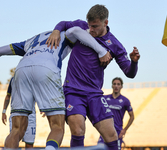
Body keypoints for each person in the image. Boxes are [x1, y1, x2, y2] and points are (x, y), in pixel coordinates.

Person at [0, 27, 111, 149]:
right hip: (46, 69)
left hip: (21, 71)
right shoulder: (64, 34)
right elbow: (77, 30)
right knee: (57, 127)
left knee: (16, 129)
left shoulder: (31, 41)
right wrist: (101, 50)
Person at [46, 4, 140, 150]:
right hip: (73, 91)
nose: (91, 30)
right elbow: (64, 23)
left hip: (95, 94)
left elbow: (129, 73)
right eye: (90, 25)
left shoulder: (114, 44)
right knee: (77, 130)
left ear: (105, 23)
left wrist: (134, 62)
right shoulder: (82, 27)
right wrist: (56, 31)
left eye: (95, 26)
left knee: (112, 136)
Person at [98, 77, 134, 149]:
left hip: (117, 132)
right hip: (105, 131)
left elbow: (132, 116)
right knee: (99, 148)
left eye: (118, 84)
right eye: (114, 84)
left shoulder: (125, 100)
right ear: (112, 86)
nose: (116, 86)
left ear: (121, 86)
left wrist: (124, 130)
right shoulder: (104, 98)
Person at [2, 77, 36, 148]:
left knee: (29, 144)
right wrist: (4, 111)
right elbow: (8, 96)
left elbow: (38, 94)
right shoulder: (13, 79)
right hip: (16, 113)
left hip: (30, 114)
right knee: (13, 138)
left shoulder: (34, 77)